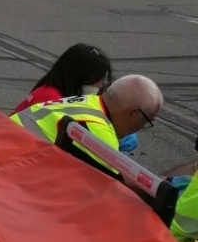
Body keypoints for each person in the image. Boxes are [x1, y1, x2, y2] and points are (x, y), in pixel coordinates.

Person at [9, 74, 162, 179]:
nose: (141, 128)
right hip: (7, 169)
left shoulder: (88, 101)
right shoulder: (100, 132)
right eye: (146, 121)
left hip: (3, 146)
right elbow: (113, 190)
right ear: (132, 113)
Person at [11, 44, 143, 152]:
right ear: (79, 77)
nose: (101, 85)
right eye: (97, 80)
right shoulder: (50, 97)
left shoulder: (54, 88)